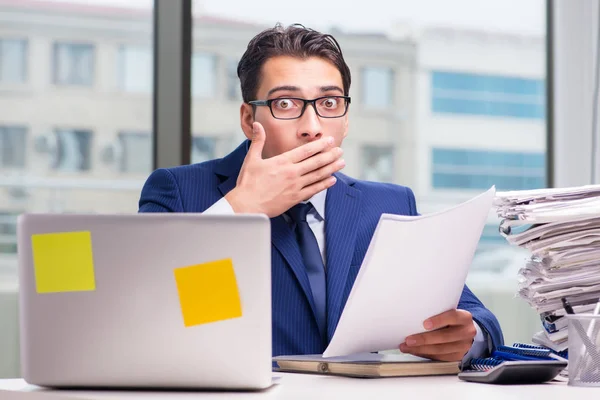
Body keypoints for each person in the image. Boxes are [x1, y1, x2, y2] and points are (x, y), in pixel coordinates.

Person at [138, 23, 504, 362]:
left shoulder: (389, 204)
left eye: (328, 103)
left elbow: (478, 318)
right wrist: (240, 209)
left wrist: (468, 337)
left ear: (345, 120)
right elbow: (135, 306)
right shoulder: (181, 191)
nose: (312, 128)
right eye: (286, 104)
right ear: (250, 120)